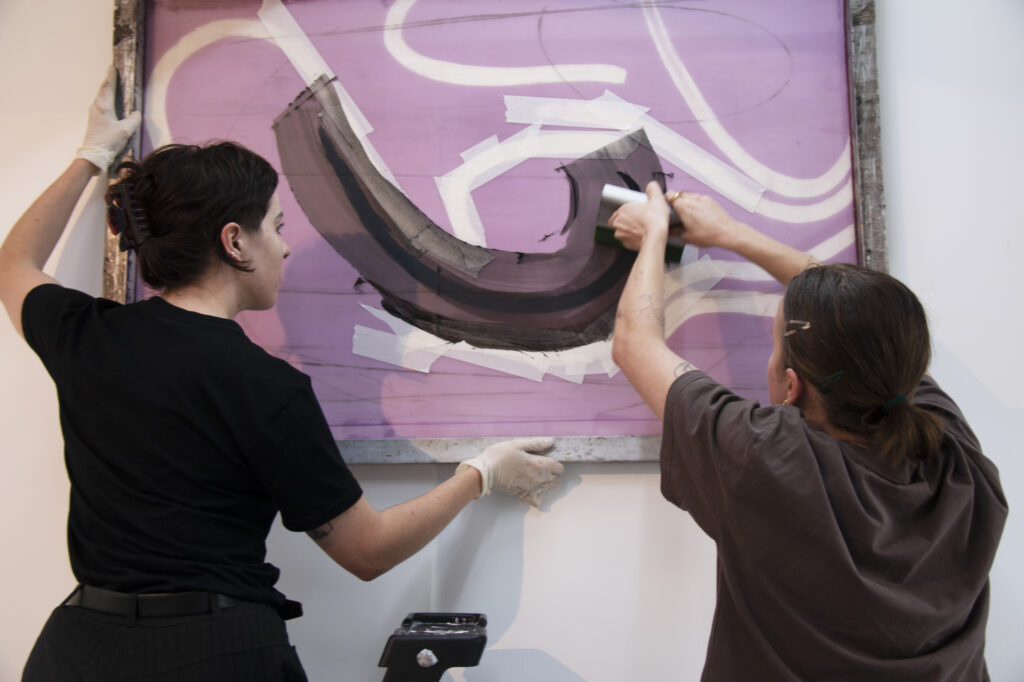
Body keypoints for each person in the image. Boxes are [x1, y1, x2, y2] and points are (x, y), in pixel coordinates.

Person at [0, 69, 563, 682]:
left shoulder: (87, 335)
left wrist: (92, 156)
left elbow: (14, 263)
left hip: (77, 649)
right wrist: (478, 474)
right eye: (276, 225)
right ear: (235, 242)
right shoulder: (265, 385)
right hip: (213, 652)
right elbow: (367, 551)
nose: (285, 247)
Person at [608, 182, 1007, 681]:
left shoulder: (768, 459)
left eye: (774, 347)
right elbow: (862, 318)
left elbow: (633, 342)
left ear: (790, 386)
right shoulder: (952, 448)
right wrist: (732, 234)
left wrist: (653, 233)